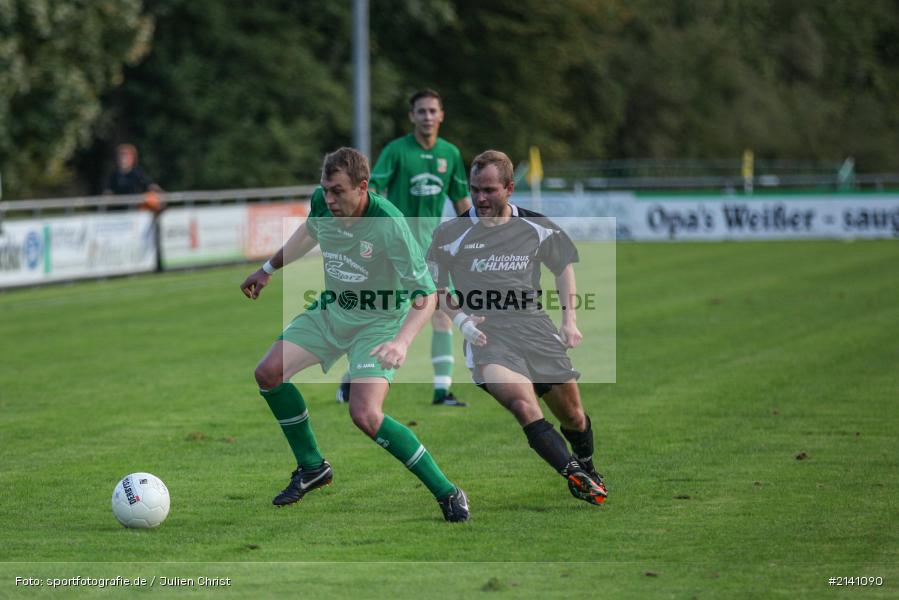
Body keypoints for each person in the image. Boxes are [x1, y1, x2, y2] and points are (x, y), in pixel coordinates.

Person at [240, 147, 469, 522]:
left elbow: (426, 295)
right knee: (268, 373)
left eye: (337, 192)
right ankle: (312, 467)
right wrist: (267, 269)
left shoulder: (389, 224)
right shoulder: (323, 202)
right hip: (333, 310)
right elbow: (308, 233)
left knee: (364, 414)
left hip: (379, 322)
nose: (328, 199)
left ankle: (447, 491)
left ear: (363, 187)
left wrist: (402, 341)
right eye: (325, 189)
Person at [426, 150, 608, 506]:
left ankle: (586, 464)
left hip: (536, 331)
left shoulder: (538, 227)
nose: (480, 198)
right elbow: (436, 288)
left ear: (509, 188)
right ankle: (573, 473)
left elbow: (563, 268)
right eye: (475, 189)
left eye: (490, 190)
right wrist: (461, 321)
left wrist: (570, 321)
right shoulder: (450, 234)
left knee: (572, 415)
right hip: (487, 338)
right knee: (525, 407)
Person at [338, 89, 471, 407]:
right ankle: (350, 380)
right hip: (393, 249)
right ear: (412, 116)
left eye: (432, 111)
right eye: (421, 111)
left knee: (441, 311)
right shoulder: (396, 151)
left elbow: (462, 200)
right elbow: (373, 191)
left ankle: (442, 391)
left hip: (432, 249)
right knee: (387, 316)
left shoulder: (450, 154)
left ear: (441, 116)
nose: (427, 116)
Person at [105, 144, 164, 211]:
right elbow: (108, 194)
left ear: (133, 158)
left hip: (136, 210)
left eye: (126, 156)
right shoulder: (113, 175)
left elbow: (152, 186)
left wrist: (159, 194)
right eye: (121, 155)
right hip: (119, 211)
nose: (123, 159)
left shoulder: (138, 173)